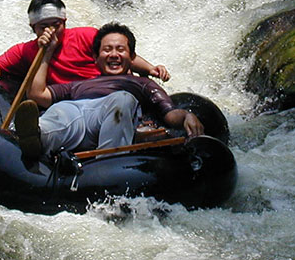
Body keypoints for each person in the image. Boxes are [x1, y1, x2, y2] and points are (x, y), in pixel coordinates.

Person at [14, 22, 204, 160]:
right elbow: (37, 95)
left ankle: (107, 165)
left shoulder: (143, 84)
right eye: (107, 50)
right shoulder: (79, 84)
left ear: (132, 57)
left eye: (120, 49)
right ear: (96, 58)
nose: (113, 54)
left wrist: (186, 116)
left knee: (122, 99)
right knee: (60, 112)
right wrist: (47, 52)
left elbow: (170, 115)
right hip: (77, 111)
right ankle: (37, 136)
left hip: (113, 112)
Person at [0, 0, 169, 87]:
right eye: (43, 26)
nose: (50, 30)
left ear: (64, 22)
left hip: (107, 88)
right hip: (69, 98)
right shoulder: (25, 51)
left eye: (56, 24)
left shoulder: (87, 36)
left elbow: (118, 55)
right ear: (33, 28)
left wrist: (150, 69)